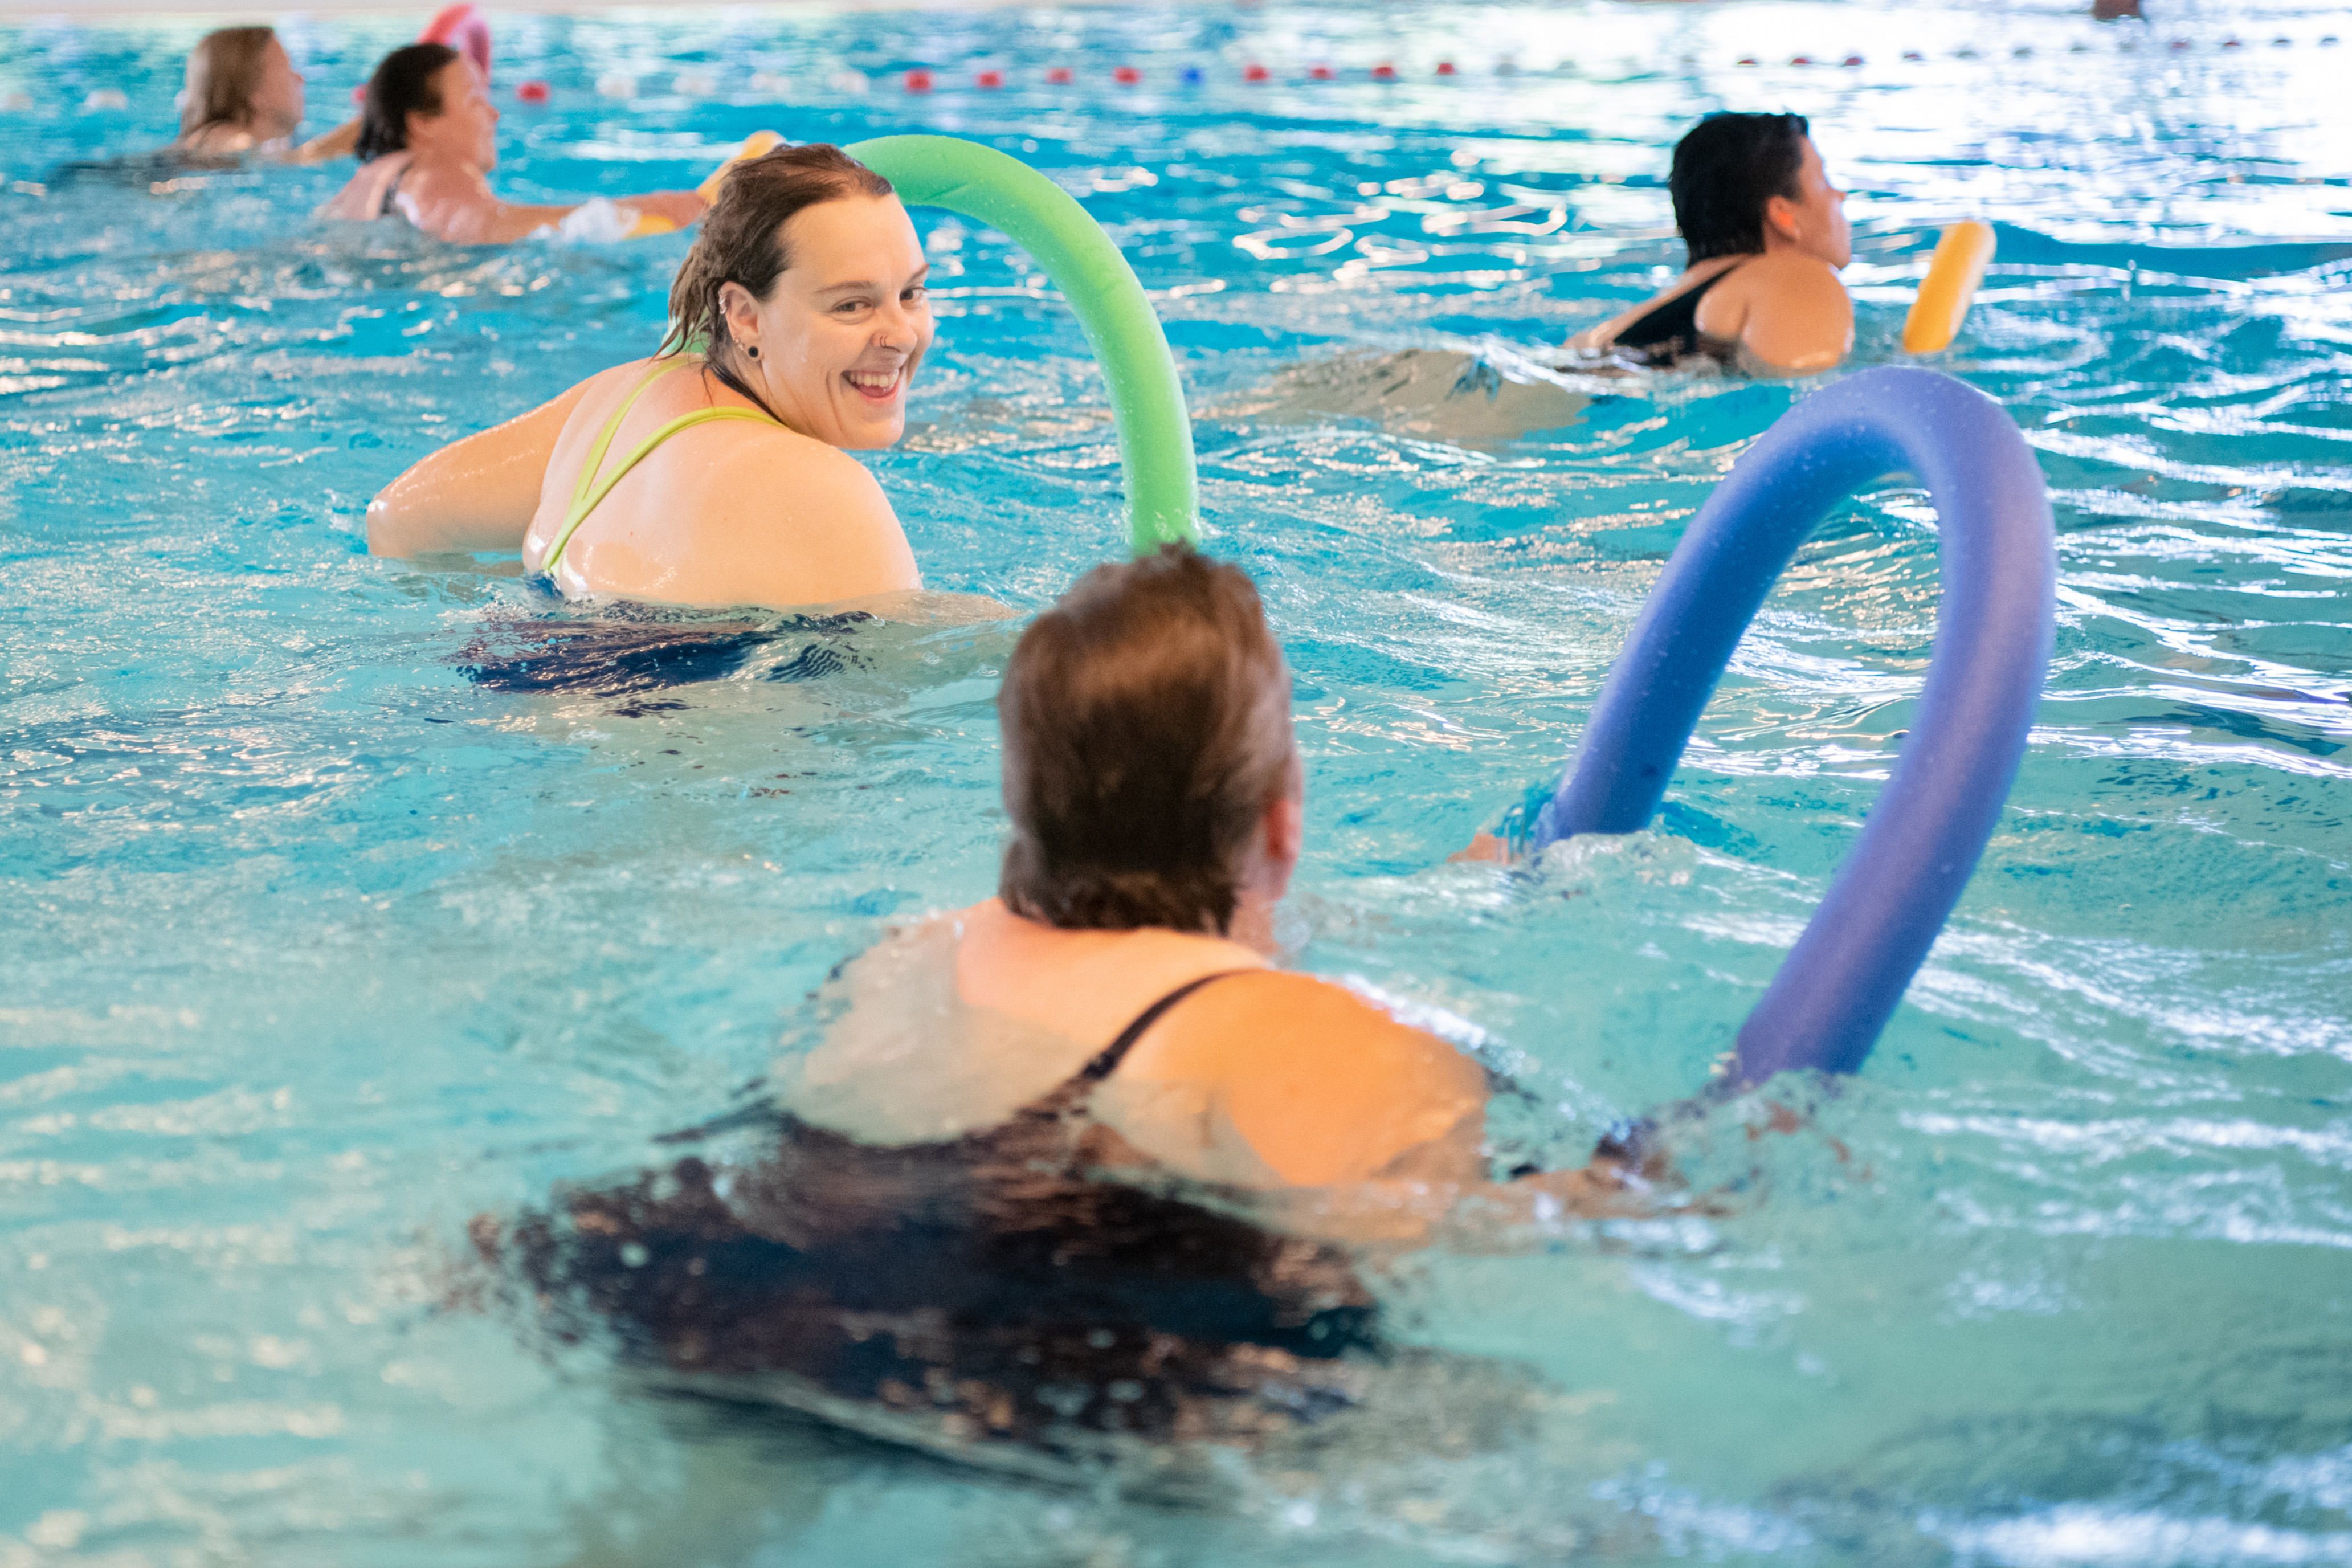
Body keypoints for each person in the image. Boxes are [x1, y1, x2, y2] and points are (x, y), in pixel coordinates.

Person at [484, 546, 1671, 1461]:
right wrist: (1630, 1197)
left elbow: (1179, 954)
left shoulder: (905, 953)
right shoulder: (1313, 1040)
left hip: (702, 1306)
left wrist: (1445, 896)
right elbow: (1430, 1239)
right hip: (1043, 1390)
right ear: (1282, 818)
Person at [365, 142, 937, 614]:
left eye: (911, 293)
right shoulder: (822, 491)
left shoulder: (619, 397)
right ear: (743, 315)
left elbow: (397, 523)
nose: (901, 334)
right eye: (851, 306)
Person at [320, 43, 705, 244]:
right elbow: (478, 226)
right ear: (422, 123)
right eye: (475, 100)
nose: (495, 115)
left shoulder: (369, 181)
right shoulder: (434, 171)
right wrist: (655, 207)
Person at [1571, 112, 1853, 375]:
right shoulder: (1797, 278)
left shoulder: (1605, 335)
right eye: (1824, 180)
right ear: (1783, 215)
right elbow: (1814, 407)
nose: (1841, 195)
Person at [170, 26, 356, 164]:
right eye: (287, 69)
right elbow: (254, 158)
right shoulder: (228, 138)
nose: (300, 78)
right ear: (255, 93)